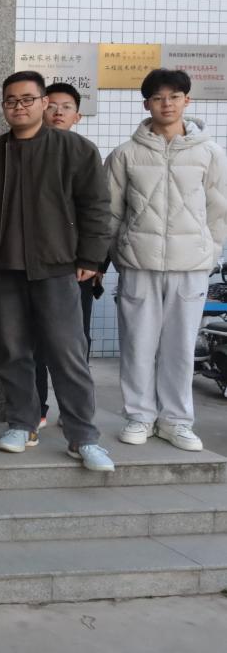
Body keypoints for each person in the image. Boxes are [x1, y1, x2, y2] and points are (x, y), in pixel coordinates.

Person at [0, 71, 114, 472]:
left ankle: (83, 437)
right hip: (3, 271)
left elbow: (96, 208)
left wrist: (90, 259)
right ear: (3, 106)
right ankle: (22, 424)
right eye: (11, 100)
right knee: (15, 352)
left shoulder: (76, 150)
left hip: (57, 267)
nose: (19, 107)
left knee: (68, 353)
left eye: (27, 99)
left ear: (44, 102)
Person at [107, 68, 227, 452]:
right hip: (138, 264)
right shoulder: (125, 154)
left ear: (187, 100)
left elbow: (219, 212)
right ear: (146, 104)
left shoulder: (211, 153)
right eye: (158, 97)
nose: (167, 104)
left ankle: (176, 421)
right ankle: (139, 416)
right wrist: (120, 255)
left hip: (190, 267)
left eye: (174, 96)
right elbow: (111, 213)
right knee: (137, 345)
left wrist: (208, 253)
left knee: (180, 347)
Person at [35, 81, 101, 427]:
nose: (58, 112)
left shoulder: (85, 153)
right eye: (52, 105)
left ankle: (75, 412)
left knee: (74, 341)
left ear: (77, 116)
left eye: (67, 107)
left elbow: (98, 210)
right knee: (33, 340)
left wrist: (93, 259)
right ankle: (37, 408)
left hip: (76, 266)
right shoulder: (24, 152)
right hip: (34, 264)